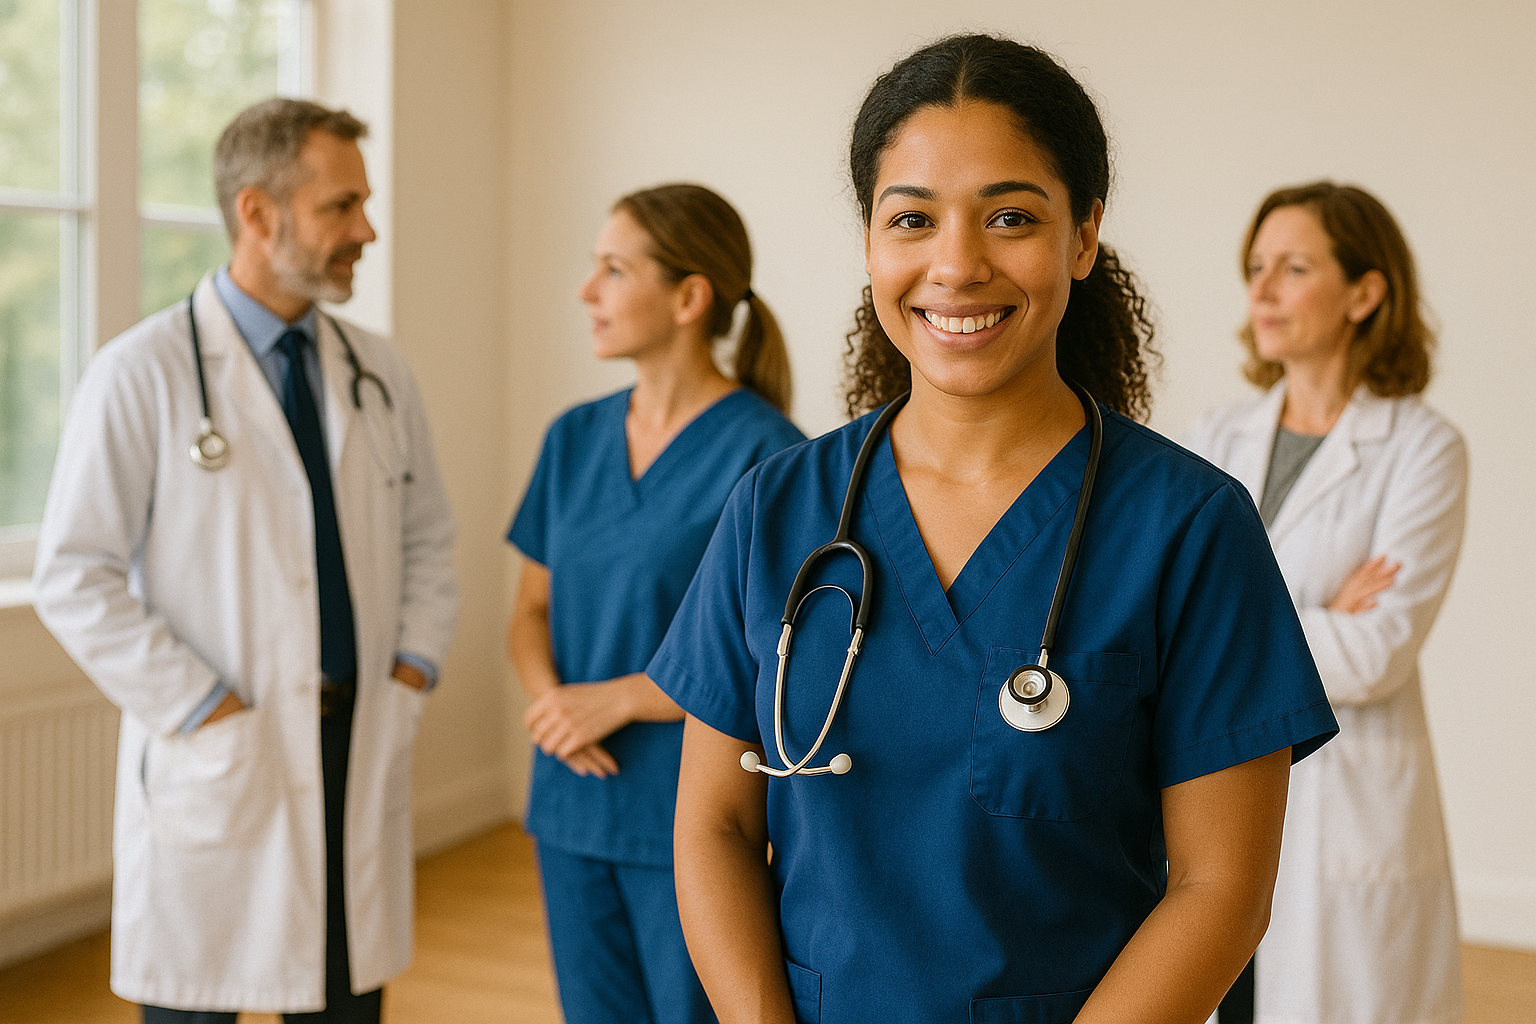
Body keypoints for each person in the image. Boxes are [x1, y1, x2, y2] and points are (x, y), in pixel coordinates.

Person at [644, 34, 1340, 1024]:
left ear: (1085, 235)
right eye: (912, 219)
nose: (957, 264)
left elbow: (1221, 889)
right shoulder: (777, 507)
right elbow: (714, 824)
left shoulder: (1188, 527)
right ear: (873, 243)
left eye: (1011, 216)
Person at [31, 98, 458, 1022]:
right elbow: (74, 573)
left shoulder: (378, 371)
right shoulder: (139, 373)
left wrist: (411, 667)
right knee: (199, 1002)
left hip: (357, 738)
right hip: (227, 747)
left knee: (345, 1005)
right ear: (258, 215)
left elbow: (429, 538)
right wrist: (202, 706)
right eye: (341, 207)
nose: (367, 229)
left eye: (363, 204)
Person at [505, 183, 805, 1024]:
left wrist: (620, 699)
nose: (586, 291)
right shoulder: (572, 437)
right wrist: (555, 706)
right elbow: (530, 612)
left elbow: (777, 657)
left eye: (612, 269)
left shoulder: (769, 457)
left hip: (693, 814)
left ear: (688, 296)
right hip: (572, 795)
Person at [1184, 182, 1467, 1024]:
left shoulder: (1421, 448)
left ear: (1364, 292)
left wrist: (1233, 629)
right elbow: (1171, 624)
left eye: (1294, 267)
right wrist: (1319, 617)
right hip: (1216, 790)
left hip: (1343, 806)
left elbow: (1377, 656)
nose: (1262, 290)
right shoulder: (1213, 438)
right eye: (1256, 267)